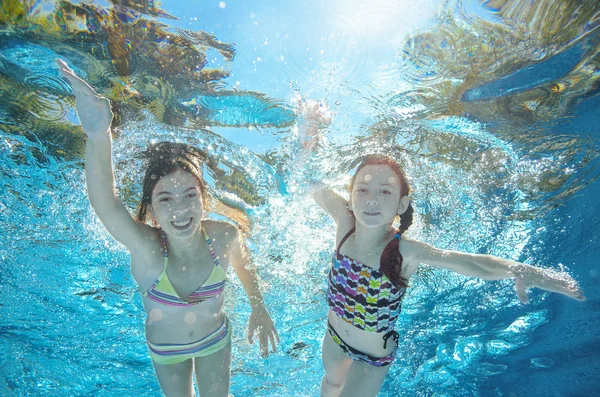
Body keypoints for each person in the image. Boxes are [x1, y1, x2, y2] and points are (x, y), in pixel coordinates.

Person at [296, 100, 585, 397]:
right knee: (332, 382)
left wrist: (520, 270)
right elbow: (308, 179)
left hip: (373, 357)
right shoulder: (345, 222)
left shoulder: (404, 251)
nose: (371, 199)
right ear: (352, 196)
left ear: (401, 204)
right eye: (363, 189)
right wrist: (311, 128)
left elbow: (471, 262)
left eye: (385, 191)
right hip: (333, 338)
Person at [56, 59, 279, 397]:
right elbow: (106, 204)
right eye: (165, 199)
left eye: (190, 194)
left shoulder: (224, 235)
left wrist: (258, 307)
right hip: (167, 353)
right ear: (153, 212)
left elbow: (244, 263)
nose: (181, 209)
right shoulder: (147, 249)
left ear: (204, 198)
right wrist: (98, 135)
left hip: (215, 340)